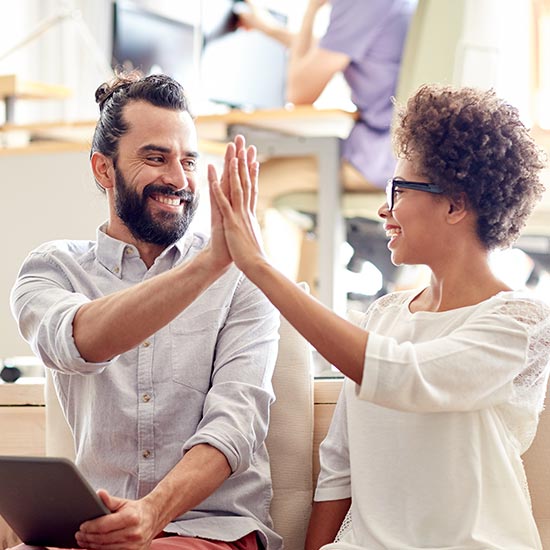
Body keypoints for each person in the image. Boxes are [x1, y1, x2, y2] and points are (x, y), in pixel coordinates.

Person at [209, 83, 550, 549]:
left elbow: (406, 376)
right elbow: (339, 467)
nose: (384, 209)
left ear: (454, 205)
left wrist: (260, 267)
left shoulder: (520, 323)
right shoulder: (384, 316)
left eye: (399, 189)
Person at [10, 73, 282, 550]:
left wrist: (152, 514)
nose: (178, 179)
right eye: (156, 158)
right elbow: (80, 343)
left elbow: (235, 425)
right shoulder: (50, 270)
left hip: (212, 529)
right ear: (103, 169)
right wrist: (208, 266)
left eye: (189, 161)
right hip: (95, 531)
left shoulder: (243, 274)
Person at [238, 0, 417, 282]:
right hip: (406, 159)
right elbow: (329, 48)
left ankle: (264, 306)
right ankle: (302, 309)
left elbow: (298, 91)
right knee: (309, 206)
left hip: (378, 161)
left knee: (246, 184)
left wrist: (311, 9)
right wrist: (268, 29)